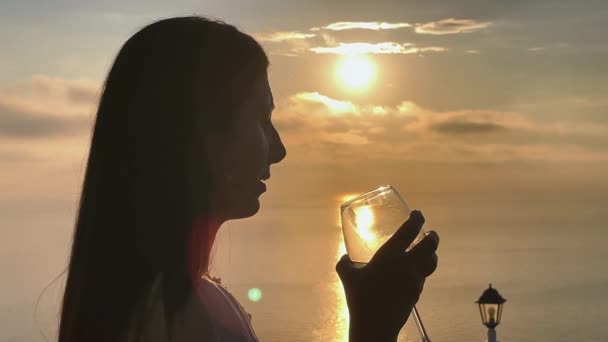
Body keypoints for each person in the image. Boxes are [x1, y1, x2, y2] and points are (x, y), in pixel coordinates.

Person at [57, 16, 439, 342]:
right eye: (260, 119)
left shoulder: (131, 303)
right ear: (197, 135)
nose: (278, 150)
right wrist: (373, 329)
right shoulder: (188, 317)